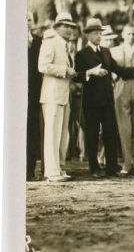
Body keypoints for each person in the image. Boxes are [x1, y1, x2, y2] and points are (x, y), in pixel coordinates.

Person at [74, 18, 134, 178]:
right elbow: (76, 76)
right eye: (95, 33)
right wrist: (91, 73)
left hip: (107, 99)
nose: (98, 36)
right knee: (92, 134)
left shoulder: (105, 51)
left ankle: (111, 167)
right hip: (91, 101)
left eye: (99, 33)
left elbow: (118, 69)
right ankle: (94, 168)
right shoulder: (82, 54)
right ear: (88, 35)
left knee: (110, 133)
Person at [38, 12, 78, 182]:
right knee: (52, 133)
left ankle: (59, 167)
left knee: (63, 134)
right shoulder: (50, 42)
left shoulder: (66, 46)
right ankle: (51, 171)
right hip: (52, 94)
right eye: (65, 26)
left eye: (71, 26)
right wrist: (64, 71)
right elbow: (43, 66)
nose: (69, 29)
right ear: (57, 27)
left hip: (63, 94)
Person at [110, 24, 134, 175]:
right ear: (123, 35)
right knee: (124, 128)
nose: (131, 37)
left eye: (133, 34)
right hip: (122, 87)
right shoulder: (115, 51)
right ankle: (126, 163)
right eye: (128, 34)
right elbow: (113, 70)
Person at [27, 12, 44, 181]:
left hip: (33, 93)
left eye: (30, 19)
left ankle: (30, 170)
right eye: (24, 18)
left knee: (32, 130)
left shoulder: (39, 42)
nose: (27, 22)